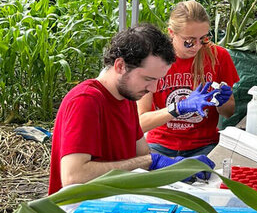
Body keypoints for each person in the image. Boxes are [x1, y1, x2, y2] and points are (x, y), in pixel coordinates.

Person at [48, 23, 215, 195]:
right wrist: (152, 161)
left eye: (158, 80)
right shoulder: (86, 101)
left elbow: (141, 155)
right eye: (148, 79)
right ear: (120, 66)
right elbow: (73, 176)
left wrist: (176, 166)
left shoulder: (127, 97)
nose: (154, 88)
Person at [138, 1, 238, 161]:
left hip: (204, 145)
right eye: (189, 41)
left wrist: (222, 102)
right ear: (171, 33)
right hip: (160, 145)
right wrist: (177, 108)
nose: (197, 46)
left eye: (204, 38)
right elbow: (140, 122)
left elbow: (229, 112)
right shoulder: (154, 60)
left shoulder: (218, 57)